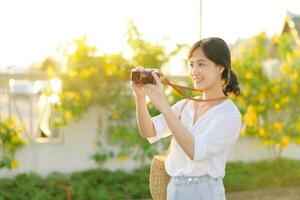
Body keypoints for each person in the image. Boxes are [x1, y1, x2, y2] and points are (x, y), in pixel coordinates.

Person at [130, 37, 242, 200]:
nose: (194, 71)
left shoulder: (229, 115)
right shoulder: (185, 106)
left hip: (206, 192)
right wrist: (140, 98)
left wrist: (164, 105)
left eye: (201, 64)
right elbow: (149, 131)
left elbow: (195, 151)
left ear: (220, 67)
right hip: (175, 190)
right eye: (191, 64)